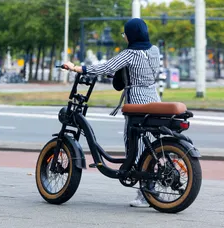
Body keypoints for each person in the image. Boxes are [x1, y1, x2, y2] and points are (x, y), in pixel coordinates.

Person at [63, 18, 161, 208]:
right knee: (147, 140)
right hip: (154, 97)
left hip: (137, 100)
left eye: (125, 34)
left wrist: (77, 68)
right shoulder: (155, 50)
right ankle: (148, 184)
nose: (124, 37)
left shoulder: (130, 54)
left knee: (135, 143)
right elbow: (129, 71)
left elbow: (106, 67)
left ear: (131, 35)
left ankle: (144, 193)